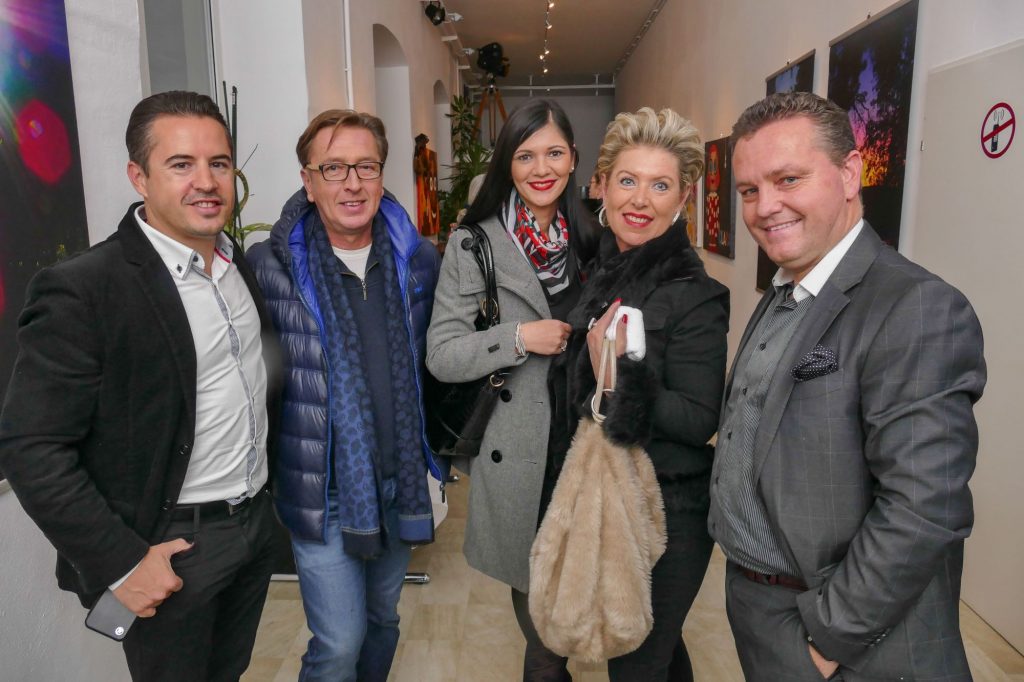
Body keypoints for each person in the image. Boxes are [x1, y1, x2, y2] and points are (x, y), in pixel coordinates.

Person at [0, 90, 282, 681]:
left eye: (219, 163)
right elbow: (31, 448)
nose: (206, 181)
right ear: (139, 177)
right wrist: (125, 564)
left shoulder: (237, 267)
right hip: (172, 549)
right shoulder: (85, 288)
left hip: (253, 528)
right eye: (181, 164)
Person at [709, 91, 986, 681]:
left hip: (845, 640)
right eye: (749, 190)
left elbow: (924, 506)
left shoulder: (916, 306)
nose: (765, 207)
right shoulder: (787, 288)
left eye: (788, 179)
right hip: (762, 606)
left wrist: (825, 639)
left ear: (850, 172)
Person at [246, 109, 441, 682]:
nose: (352, 183)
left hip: (399, 481)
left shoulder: (418, 261)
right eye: (333, 168)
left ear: (381, 176)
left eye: (366, 167)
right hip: (322, 488)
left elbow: (437, 363)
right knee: (338, 643)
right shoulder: (268, 268)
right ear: (308, 182)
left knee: (383, 621)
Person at [425, 98, 598, 680]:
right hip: (521, 445)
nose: (541, 168)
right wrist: (519, 337)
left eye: (554, 153)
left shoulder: (596, 237)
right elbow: (442, 354)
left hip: (589, 438)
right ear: (507, 163)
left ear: (573, 159)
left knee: (585, 582)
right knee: (540, 609)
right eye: (525, 155)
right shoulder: (474, 244)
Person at [560, 107, 729, 680]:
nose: (640, 200)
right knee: (656, 657)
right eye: (628, 180)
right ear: (602, 186)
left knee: (637, 664)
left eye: (660, 185)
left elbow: (699, 417)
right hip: (610, 492)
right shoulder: (601, 271)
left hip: (668, 511)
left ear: (683, 198)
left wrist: (615, 376)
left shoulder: (695, 294)